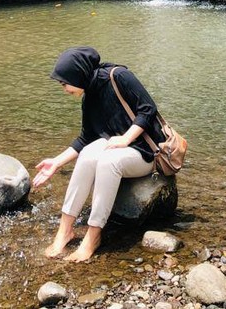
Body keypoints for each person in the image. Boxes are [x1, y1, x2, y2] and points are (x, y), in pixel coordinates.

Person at [32, 46, 165, 262]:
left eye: (64, 82)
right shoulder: (89, 96)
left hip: (146, 152)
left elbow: (147, 109)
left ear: (78, 74)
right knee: (87, 154)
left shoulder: (119, 76)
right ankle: (65, 230)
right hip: (120, 149)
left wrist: (126, 138)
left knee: (107, 162)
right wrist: (56, 163)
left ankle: (93, 236)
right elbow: (86, 138)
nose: (63, 88)